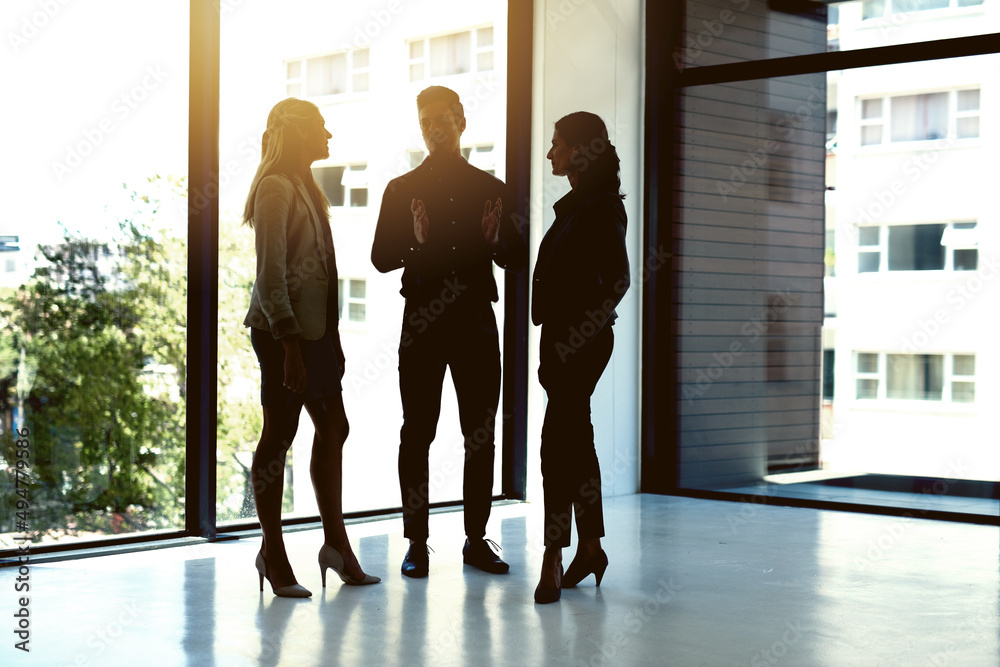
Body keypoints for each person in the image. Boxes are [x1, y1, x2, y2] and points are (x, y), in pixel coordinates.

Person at [371, 85, 527, 578]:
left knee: (479, 434)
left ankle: (476, 540)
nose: (433, 129)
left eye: (441, 119)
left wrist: (494, 238)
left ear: (460, 121)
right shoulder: (401, 189)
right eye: (424, 122)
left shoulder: (492, 189)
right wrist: (414, 243)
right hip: (422, 323)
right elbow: (379, 258)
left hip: (476, 322)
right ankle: (416, 542)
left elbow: (518, 257)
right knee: (417, 433)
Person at [243, 98, 379, 597]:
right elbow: (271, 277)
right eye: (320, 128)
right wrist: (293, 349)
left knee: (334, 426)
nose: (328, 136)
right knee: (279, 435)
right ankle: (273, 553)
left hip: (315, 335)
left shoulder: (305, 186)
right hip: (284, 335)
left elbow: (323, 275)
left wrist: (331, 341)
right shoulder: (275, 188)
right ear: (298, 133)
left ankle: (335, 546)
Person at [531, 112, 630, 603]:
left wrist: (579, 337)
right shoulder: (576, 206)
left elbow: (618, 280)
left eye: (557, 144)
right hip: (563, 342)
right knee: (577, 441)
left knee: (555, 447)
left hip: (581, 345)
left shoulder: (601, 207)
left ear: (579, 151)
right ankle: (590, 547)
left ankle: (553, 551)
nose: (551, 153)